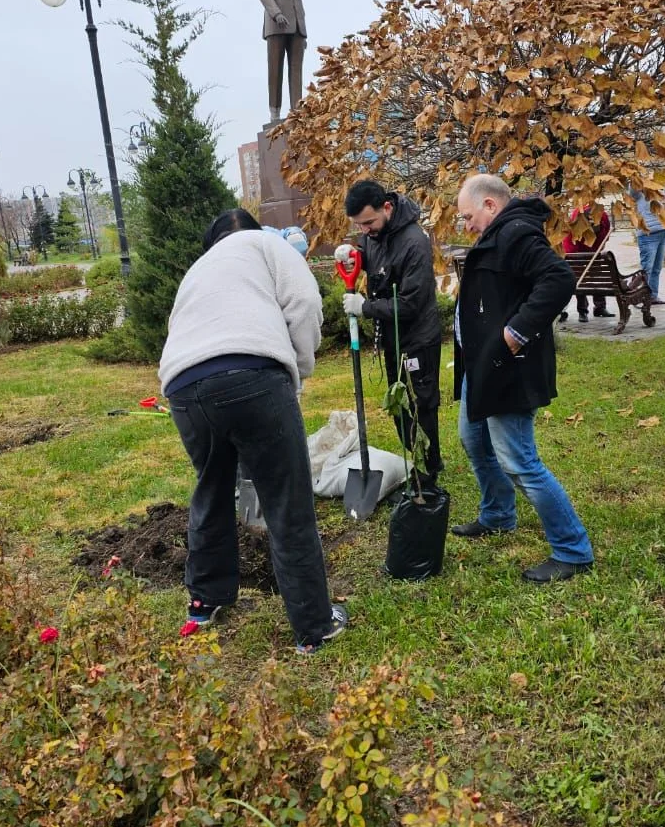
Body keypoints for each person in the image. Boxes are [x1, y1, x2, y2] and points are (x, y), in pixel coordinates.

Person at [158, 208, 346, 653]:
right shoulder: (267, 244)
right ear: (252, 230)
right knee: (287, 501)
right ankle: (315, 627)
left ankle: (204, 602)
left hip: (183, 387)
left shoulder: (198, 270)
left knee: (212, 489)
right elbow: (304, 304)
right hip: (252, 375)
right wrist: (296, 372)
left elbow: (179, 330)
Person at [451, 175, 594, 583]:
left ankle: (572, 550)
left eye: (468, 216)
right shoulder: (501, 233)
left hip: (506, 369)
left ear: (490, 206)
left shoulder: (514, 233)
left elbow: (559, 279)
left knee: (519, 460)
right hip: (482, 367)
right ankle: (497, 515)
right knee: (473, 439)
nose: (467, 226)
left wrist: (515, 333)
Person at [343, 179, 443, 489]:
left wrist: (366, 308)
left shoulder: (414, 242)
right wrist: (353, 256)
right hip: (393, 339)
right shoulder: (376, 234)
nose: (366, 230)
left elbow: (411, 303)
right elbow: (374, 257)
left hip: (418, 340)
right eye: (359, 226)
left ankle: (426, 478)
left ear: (387, 207)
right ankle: (425, 462)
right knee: (400, 407)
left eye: (369, 222)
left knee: (420, 407)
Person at [257, 0, 307, 124]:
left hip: (297, 28)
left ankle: (297, 112)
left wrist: (303, 30)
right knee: (275, 70)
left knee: (296, 72)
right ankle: (275, 113)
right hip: (276, 24)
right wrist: (276, 13)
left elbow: (298, 0)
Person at [560, 205, 612, 322]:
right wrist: (580, 259)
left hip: (594, 251)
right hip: (577, 254)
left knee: (597, 277)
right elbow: (570, 249)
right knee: (580, 278)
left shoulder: (602, 216)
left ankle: (600, 308)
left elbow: (606, 233)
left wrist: (597, 245)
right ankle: (582, 311)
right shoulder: (576, 220)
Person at [632, 188, 665, 304]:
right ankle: (635, 293)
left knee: (657, 268)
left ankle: (652, 296)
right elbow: (633, 186)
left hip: (663, 231)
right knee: (647, 268)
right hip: (648, 234)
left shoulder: (659, 188)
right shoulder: (639, 192)